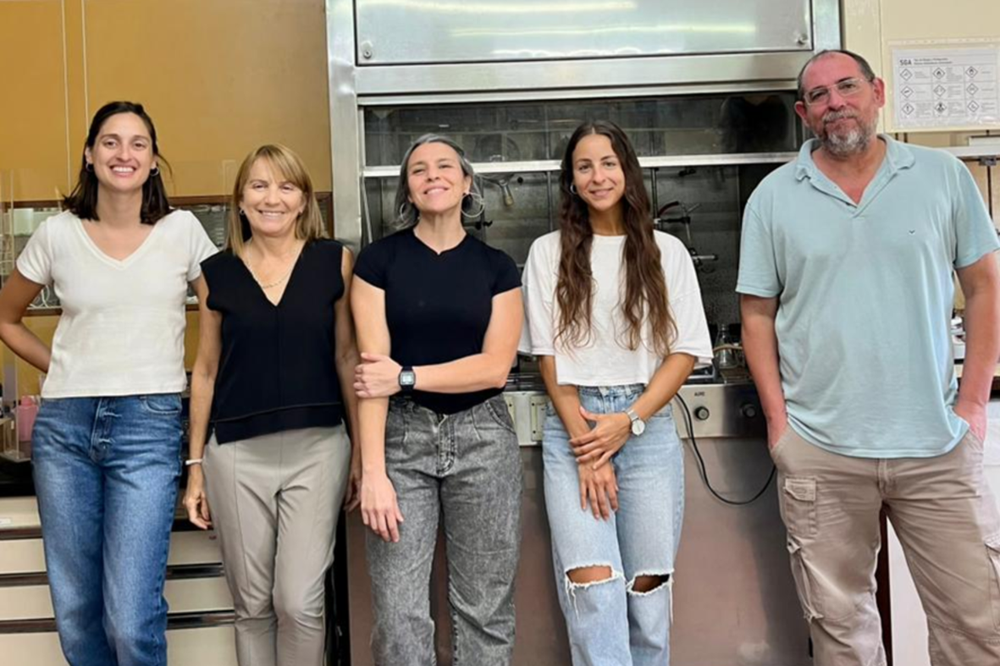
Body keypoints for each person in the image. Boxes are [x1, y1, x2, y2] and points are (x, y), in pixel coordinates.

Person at [738, 49, 1000, 666]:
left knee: (976, 624)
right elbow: (757, 315)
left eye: (847, 86)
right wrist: (781, 425)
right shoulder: (772, 199)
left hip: (935, 442)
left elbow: (986, 287)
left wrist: (974, 399)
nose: (836, 103)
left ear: (877, 91)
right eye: (820, 96)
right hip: (820, 449)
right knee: (840, 628)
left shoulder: (943, 176)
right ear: (804, 114)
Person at [0, 101, 217, 666]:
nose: (125, 153)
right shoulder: (57, 233)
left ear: (153, 160)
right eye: (112, 142)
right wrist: (65, 366)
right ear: (90, 155)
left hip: (149, 425)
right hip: (65, 428)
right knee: (76, 611)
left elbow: (224, 318)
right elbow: (5, 318)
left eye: (139, 143)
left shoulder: (182, 231)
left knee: (130, 616)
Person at [520, 120, 712, 665]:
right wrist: (590, 446)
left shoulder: (665, 251)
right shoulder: (547, 253)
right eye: (584, 166)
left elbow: (684, 352)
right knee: (594, 590)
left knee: (647, 595)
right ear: (571, 181)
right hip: (575, 427)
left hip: (645, 430)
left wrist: (627, 421)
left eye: (608, 162)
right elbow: (549, 360)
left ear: (627, 171)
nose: (598, 175)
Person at [182, 144, 360, 666]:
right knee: (253, 605)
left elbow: (347, 355)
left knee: (298, 602)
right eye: (258, 186)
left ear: (304, 200)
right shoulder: (216, 272)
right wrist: (195, 467)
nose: (272, 198)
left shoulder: (335, 262)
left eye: (286, 186)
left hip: (319, 448)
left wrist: (363, 455)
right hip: (235, 455)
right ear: (240, 201)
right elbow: (207, 371)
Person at [351, 134, 523, 666]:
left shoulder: (497, 267)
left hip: (483, 435)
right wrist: (373, 474)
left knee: (485, 609)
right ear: (408, 188)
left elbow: (495, 368)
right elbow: (370, 376)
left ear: (466, 183)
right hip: (400, 440)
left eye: (445, 166)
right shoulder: (377, 262)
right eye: (419, 169)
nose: (433, 176)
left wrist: (406, 375)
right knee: (399, 613)